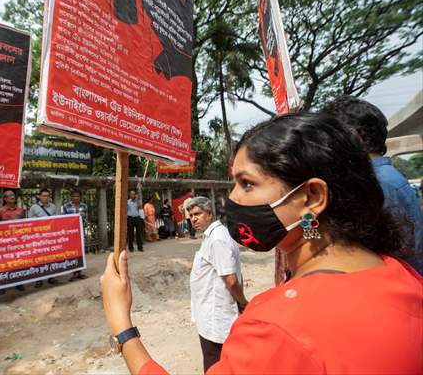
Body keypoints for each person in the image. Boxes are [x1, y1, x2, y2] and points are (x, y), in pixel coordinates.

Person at [100, 113, 422, 374]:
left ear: (311, 197)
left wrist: (123, 326)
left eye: (247, 184)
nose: (233, 199)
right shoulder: (403, 275)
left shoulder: (275, 328)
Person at [320, 95, 423, 274]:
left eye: (330, 137)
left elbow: (392, 251)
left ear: (354, 137)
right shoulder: (375, 179)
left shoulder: (381, 183)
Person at [186, 196, 248, 372]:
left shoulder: (217, 239)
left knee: (216, 364)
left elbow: (231, 280)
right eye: (191, 215)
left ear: (210, 214)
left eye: (198, 213)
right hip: (209, 313)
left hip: (216, 315)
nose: (194, 219)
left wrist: (243, 302)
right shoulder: (212, 236)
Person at [28, 188, 58, 286]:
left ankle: (51, 276)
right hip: (38, 236)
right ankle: (39, 279)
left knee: (51, 256)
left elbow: (57, 219)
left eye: (47, 196)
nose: (46, 198)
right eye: (43, 196)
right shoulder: (33, 208)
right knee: (39, 257)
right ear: (39, 196)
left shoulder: (53, 207)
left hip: (50, 236)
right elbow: (30, 222)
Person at [62, 189, 88, 281]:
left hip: (80, 232)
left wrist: (83, 217)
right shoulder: (66, 206)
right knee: (72, 252)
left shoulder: (84, 206)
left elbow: (86, 220)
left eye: (77, 196)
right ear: (71, 197)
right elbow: (63, 220)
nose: (76, 198)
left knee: (81, 251)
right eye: (74, 196)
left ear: (80, 197)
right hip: (71, 233)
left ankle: (79, 272)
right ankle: (73, 272)